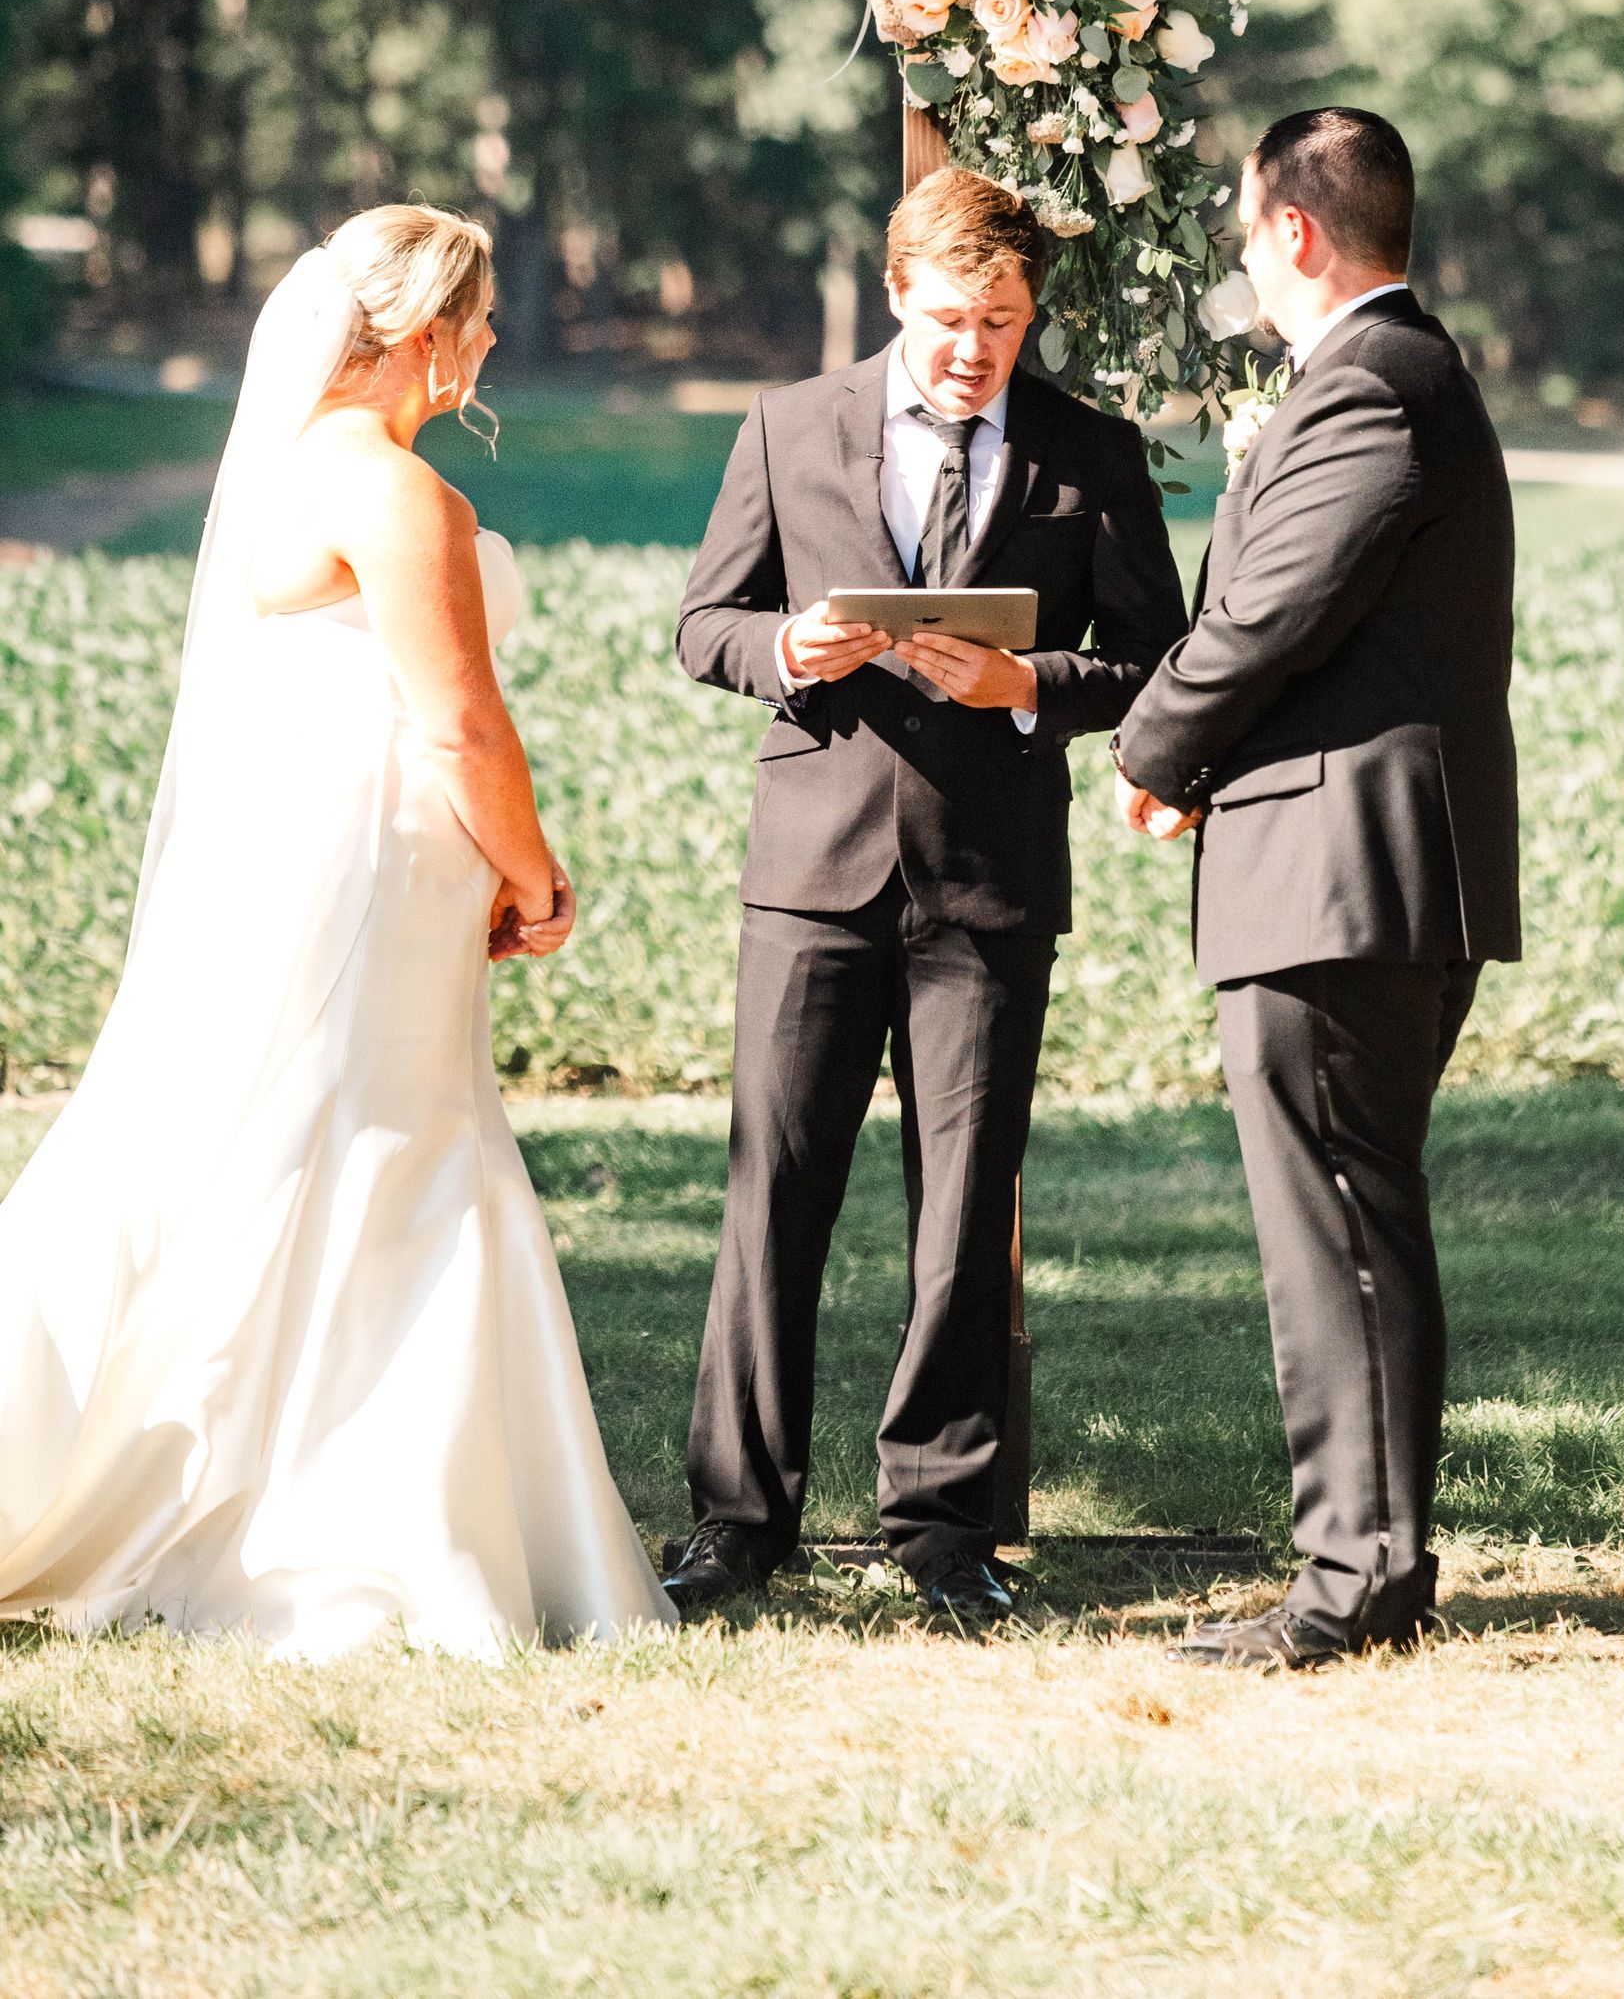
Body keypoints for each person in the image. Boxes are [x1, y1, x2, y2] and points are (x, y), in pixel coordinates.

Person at [0, 205, 674, 1659]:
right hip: (387, 872)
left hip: (328, 864)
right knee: (390, 1145)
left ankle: (253, 1479)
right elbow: (458, 718)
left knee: (286, 1142)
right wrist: (538, 874)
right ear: (426, 336)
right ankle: (353, 1517)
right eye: (480, 321)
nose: (489, 346)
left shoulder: (286, 472)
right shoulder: (394, 493)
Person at [670, 167, 1186, 1629]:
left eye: (1006, 324)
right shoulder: (787, 424)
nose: (977, 349)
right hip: (811, 879)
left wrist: (1030, 681)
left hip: (991, 881)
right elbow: (705, 624)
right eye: (955, 319)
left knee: (965, 1211)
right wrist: (792, 650)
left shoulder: (1091, 451)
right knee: (776, 1194)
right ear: (898, 293)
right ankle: (736, 1524)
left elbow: (1163, 661)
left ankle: (946, 1531)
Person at [1115, 109, 1521, 1671]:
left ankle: (1352, 1582)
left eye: (1240, 220)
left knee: (1337, 1225)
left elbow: (1273, 609)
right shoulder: (1387, 378)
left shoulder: (1372, 383)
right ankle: (1369, 1565)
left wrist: (1156, 748)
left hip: (1343, 869)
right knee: (1354, 1214)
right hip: (1349, 861)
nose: (1236, 246)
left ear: (1293, 229)